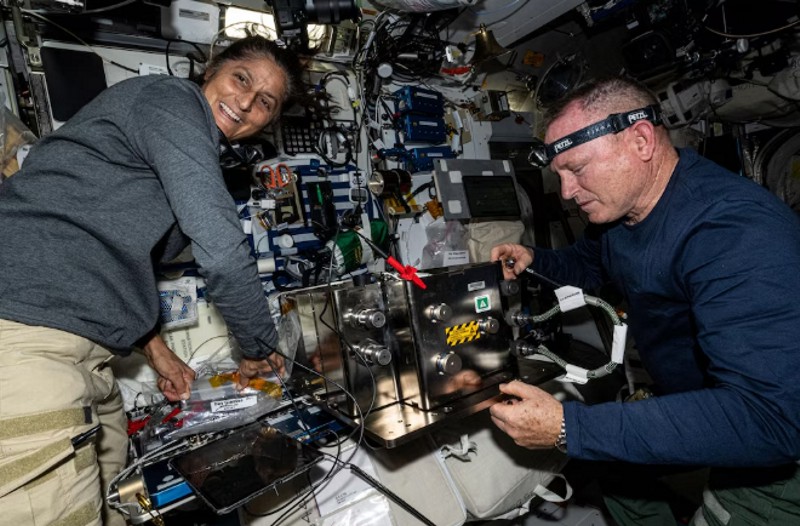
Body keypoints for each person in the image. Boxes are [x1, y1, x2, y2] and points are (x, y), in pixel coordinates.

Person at [0, 36, 303, 525]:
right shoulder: (170, 99)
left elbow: (108, 258)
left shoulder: (178, 147)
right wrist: (258, 348)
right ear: (211, 70)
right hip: (25, 339)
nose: (246, 102)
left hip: (85, 355)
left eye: (265, 101)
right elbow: (223, 253)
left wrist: (157, 351)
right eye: (241, 79)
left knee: (119, 500)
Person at [489, 76, 800, 525]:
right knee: (614, 468)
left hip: (775, 452)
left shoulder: (733, 232)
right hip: (696, 397)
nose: (567, 192)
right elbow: (589, 265)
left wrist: (568, 427)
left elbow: (770, 419)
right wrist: (534, 259)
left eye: (577, 169)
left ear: (640, 140)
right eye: (559, 175)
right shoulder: (621, 215)